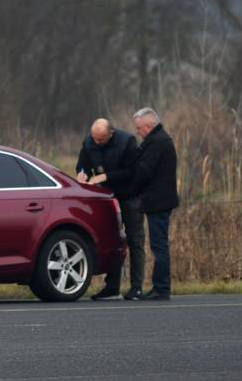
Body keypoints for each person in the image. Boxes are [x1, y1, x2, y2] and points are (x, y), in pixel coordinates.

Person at [75, 118, 145, 301]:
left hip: (130, 196)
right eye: (95, 138)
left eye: (101, 139)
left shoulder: (127, 141)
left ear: (111, 133)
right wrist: (82, 173)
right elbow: (83, 163)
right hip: (106, 198)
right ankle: (112, 288)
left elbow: (132, 172)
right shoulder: (89, 141)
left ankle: (136, 287)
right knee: (113, 241)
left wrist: (104, 177)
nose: (97, 142)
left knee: (135, 240)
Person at [132, 107, 179, 301]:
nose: (138, 132)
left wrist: (130, 185)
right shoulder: (159, 140)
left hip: (158, 202)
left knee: (159, 246)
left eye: (139, 128)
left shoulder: (157, 143)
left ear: (149, 126)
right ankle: (160, 286)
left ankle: (162, 287)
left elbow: (144, 171)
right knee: (159, 245)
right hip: (159, 201)